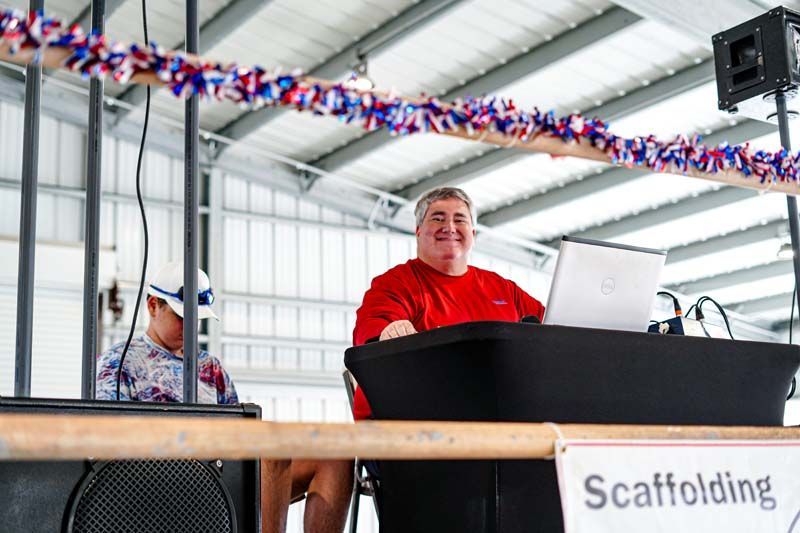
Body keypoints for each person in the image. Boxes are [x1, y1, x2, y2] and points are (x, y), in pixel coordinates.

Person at [96, 261, 353, 533]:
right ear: (152, 306)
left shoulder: (211, 368)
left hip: (219, 475)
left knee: (333, 456)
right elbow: (106, 447)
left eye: (197, 319)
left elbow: (241, 434)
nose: (190, 327)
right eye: (182, 317)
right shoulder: (118, 363)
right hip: (157, 485)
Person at [352, 187, 545, 420]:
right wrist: (387, 332)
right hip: (413, 421)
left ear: (473, 233)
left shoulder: (504, 289)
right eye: (438, 218)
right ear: (418, 230)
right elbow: (372, 327)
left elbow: (553, 325)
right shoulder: (395, 283)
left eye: (460, 219)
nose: (450, 227)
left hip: (499, 418)